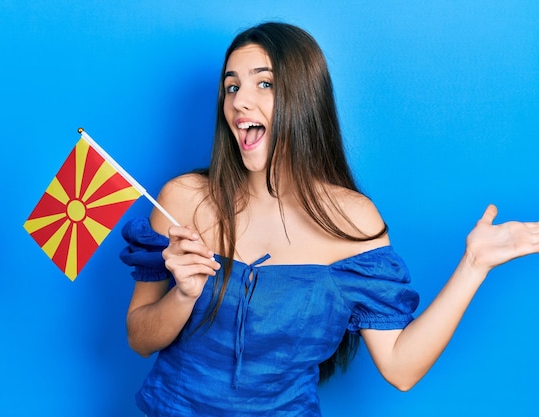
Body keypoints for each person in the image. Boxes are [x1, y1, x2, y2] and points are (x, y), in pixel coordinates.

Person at [120, 22, 539, 416]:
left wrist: (474, 266)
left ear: (305, 99)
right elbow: (139, 338)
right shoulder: (183, 200)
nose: (239, 101)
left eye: (264, 83)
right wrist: (183, 296)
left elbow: (401, 367)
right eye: (231, 86)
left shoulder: (352, 221)